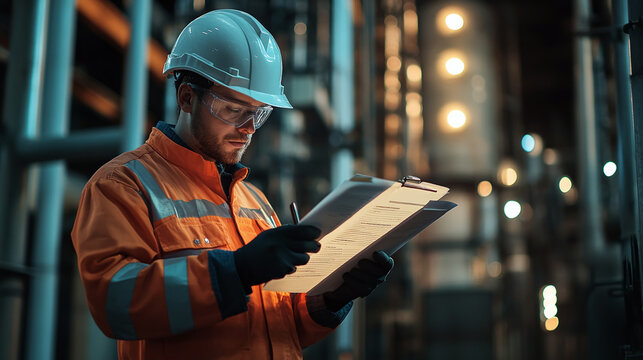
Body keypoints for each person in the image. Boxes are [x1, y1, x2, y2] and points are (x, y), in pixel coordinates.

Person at [71, 9, 394, 359]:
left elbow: (283, 328)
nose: (249, 128)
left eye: (260, 113)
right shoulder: (123, 184)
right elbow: (115, 304)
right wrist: (236, 272)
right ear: (186, 98)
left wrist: (332, 296)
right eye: (233, 110)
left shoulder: (253, 200)